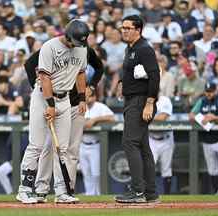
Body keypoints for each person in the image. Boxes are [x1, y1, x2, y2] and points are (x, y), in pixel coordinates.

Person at [16, 19, 90, 204]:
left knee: (62, 148)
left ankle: (62, 192)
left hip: (65, 99)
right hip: (43, 97)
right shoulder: (49, 47)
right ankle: (24, 189)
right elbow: (44, 77)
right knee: (36, 145)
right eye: (76, 41)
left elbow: (81, 74)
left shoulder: (81, 48)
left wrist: (82, 98)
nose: (78, 45)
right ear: (67, 36)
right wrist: (50, 104)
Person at [22, 42, 104, 203]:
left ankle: (65, 190)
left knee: (68, 149)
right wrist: (37, 88)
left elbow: (98, 69)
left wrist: (90, 88)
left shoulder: (84, 50)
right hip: (49, 99)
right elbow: (30, 64)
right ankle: (40, 188)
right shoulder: (53, 47)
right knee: (45, 146)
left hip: (71, 102)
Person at [115, 15, 160, 203]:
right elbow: (129, 71)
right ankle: (150, 192)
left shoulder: (144, 49)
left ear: (138, 29)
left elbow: (155, 76)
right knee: (143, 147)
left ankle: (137, 191)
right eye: (122, 27)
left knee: (129, 143)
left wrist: (149, 102)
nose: (124, 30)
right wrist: (120, 83)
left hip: (140, 102)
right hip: (132, 100)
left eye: (128, 28)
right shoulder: (131, 48)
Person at [189, 82, 218, 194]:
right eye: (207, 91)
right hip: (207, 140)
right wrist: (202, 118)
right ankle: (217, 192)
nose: (208, 94)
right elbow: (191, 115)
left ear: (215, 91)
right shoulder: (202, 101)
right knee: (212, 169)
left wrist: (215, 117)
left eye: (211, 91)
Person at [79, 89, 115, 195]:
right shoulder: (80, 106)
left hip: (95, 144)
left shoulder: (100, 107)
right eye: (86, 96)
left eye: (90, 96)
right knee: (86, 172)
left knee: (96, 173)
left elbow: (112, 118)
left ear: (95, 97)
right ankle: (89, 194)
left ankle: (99, 194)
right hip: (82, 144)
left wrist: (95, 120)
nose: (87, 98)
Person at [149, 96, 174, 194]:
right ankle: (147, 194)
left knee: (166, 169)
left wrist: (147, 118)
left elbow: (163, 117)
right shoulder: (143, 100)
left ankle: (167, 196)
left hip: (166, 138)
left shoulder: (165, 100)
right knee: (149, 167)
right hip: (151, 138)